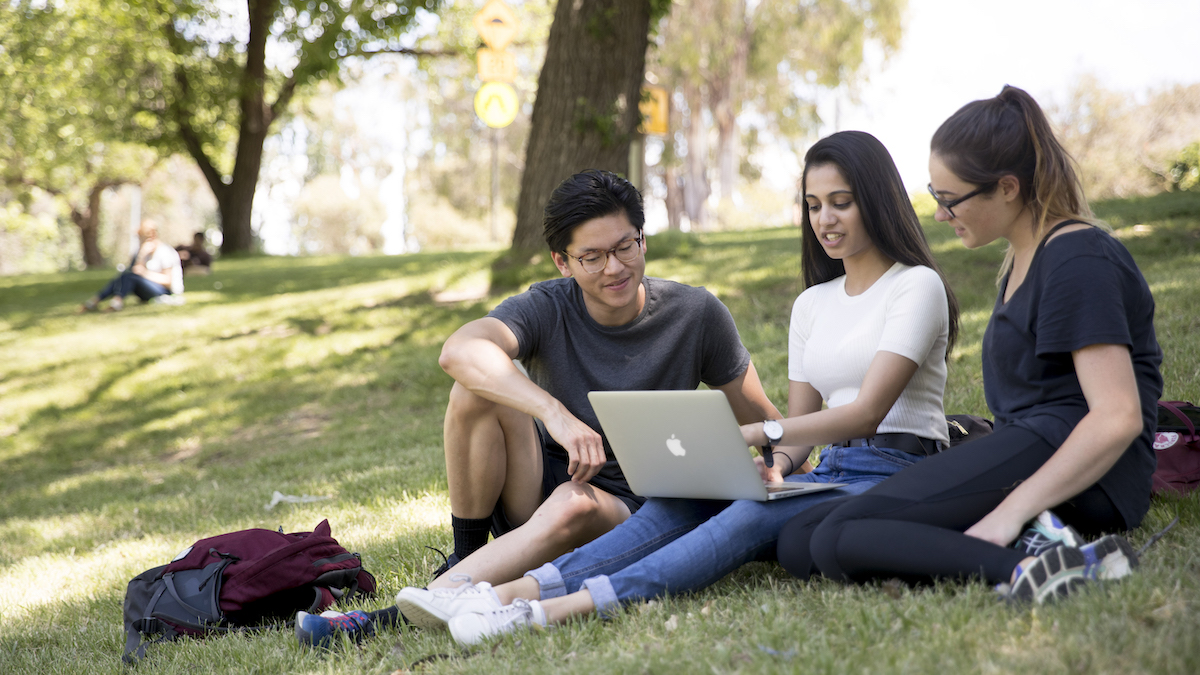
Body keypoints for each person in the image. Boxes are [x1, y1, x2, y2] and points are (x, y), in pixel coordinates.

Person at [392, 131, 962, 646]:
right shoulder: (811, 304)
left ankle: (533, 606)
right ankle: (479, 583)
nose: (825, 219)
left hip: (894, 468)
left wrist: (749, 437)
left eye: (842, 202)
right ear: (564, 262)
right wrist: (778, 466)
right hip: (826, 468)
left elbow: (863, 415)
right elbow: (795, 430)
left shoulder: (917, 287)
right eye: (813, 205)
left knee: (738, 516)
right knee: (692, 500)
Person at [294, 169, 790, 646]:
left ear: (643, 239)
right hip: (540, 487)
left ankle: (403, 611)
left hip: (632, 507)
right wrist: (554, 412)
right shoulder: (548, 305)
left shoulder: (695, 313)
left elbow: (766, 422)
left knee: (574, 501)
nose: (614, 268)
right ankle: (464, 561)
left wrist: (778, 463)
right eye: (592, 257)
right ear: (562, 262)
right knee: (474, 387)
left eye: (624, 247)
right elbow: (459, 351)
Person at [774, 85, 1163, 605]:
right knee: (803, 541)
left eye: (949, 199)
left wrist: (1007, 513)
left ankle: (1031, 565)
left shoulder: (1078, 259)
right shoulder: (1024, 261)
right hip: (1026, 449)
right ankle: (1026, 541)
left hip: (1086, 472)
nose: (938, 214)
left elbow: (1117, 417)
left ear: (1006, 188)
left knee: (842, 536)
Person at [80, 219, 184, 312]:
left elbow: (168, 281)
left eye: (142, 238)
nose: (140, 241)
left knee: (130, 276)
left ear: (152, 235)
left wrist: (144, 273)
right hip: (147, 289)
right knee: (124, 276)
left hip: (166, 292)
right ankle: (96, 301)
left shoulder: (165, 252)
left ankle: (115, 302)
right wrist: (142, 256)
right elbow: (135, 270)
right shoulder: (143, 252)